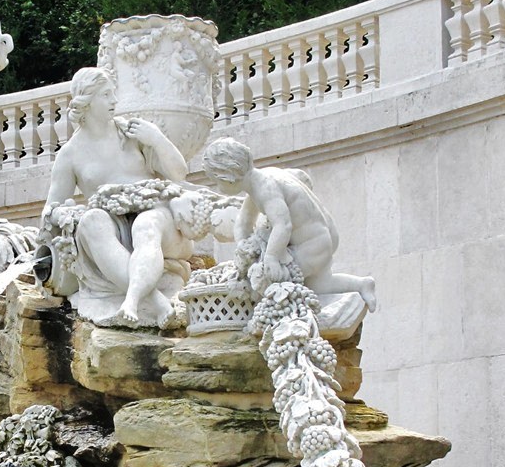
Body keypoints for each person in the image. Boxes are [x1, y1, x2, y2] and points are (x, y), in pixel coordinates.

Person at [41, 67, 192, 326]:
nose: (114, 101)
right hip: (113, 230)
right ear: (86, 102)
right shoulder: (70, 154)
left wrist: (157, 139)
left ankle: (134, 299)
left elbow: (179, 173)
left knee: (147, 225)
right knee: (91, 222)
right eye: (106, 95)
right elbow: (50, 210)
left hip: (157, 218)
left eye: (113, 94)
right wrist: (65, 212)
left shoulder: (133, 133)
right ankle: (155, 302)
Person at [202, 137, 377, 310]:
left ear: (228, 176)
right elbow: (243, 223)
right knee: (319, 285)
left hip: (313, 244)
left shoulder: (265, 189)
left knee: (272, 282)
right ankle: (362, 285)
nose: (218, 188)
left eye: (217, 182)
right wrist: (244, 247)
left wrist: (271, 257)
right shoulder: (262, 179)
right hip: (321, 238)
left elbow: (282, 225)